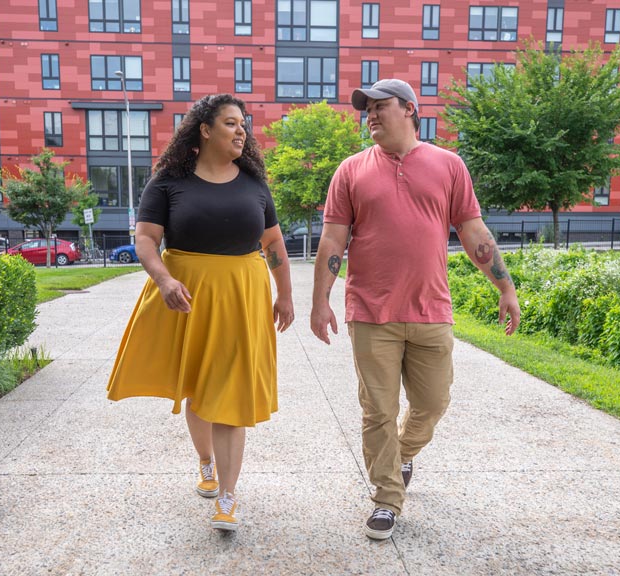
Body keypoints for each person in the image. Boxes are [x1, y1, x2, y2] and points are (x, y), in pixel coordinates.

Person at [310, 79, 520, 540]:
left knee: (432, 402)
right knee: (377, 410)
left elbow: (473, 232)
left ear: (409, 109)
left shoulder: (448, 165)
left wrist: (505, 287)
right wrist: (320, 300)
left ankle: (401, 455)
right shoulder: (350, 170)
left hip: (431, 311)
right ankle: (387, 498)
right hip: (370, 312)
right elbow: (333, 239)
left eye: (379, 106)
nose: (370, 115)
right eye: (366, 109)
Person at [107, 94, 294, 533]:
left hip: (242, 296)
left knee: (231, 395)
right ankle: (205, 462)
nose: (241, 130)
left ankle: (227, 497)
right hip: (188, 294)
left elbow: (274, 245)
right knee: (199, 388)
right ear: (204, 129)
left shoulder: (253, 183)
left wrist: (285, 295)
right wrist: (163, 280)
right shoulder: (169, 181)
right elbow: (147, 240)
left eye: (243, 124)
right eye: (230, 122)